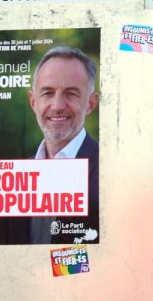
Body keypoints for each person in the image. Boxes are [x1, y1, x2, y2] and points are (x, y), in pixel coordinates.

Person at [24, 46, 100, 244]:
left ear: (90, 103)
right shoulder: (18, 175)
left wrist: (55, 272)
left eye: (71, 94)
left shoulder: (112, 171)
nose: (57, 106)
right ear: (33, 102)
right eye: (47, 93)